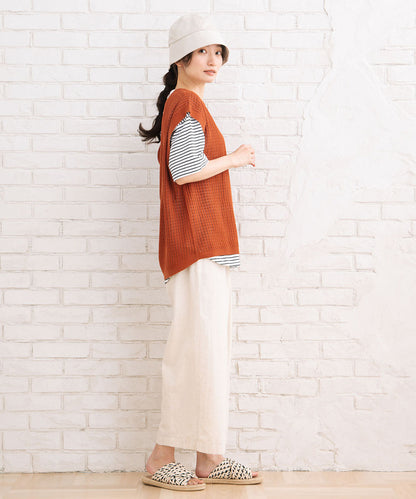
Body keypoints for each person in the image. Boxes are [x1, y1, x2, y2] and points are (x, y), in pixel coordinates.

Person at [138, 13, 262, 491]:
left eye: (218, 53)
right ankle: (161, 457)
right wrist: (235, 159)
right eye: (203, 51)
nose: (213, 60)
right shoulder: (186, 101)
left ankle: (209, 457)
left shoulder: (186, 102)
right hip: (197, 247)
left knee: (208, 351)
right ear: (181, 58)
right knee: (193, 351)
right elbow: (185, 170)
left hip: (207, 247)